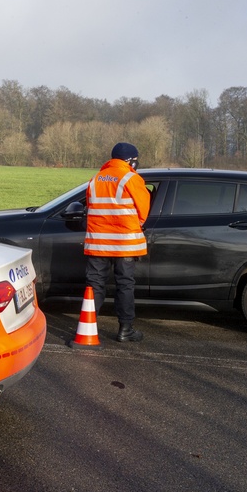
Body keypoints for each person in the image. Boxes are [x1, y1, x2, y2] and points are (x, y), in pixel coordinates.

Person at [84, 142, 150, 342]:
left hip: (98, 244)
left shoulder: (96, 179)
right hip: (124, 244)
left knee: (95, 285)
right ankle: (125, 329)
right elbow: (143, 211)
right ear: (130, 160)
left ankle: (88, 327)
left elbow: (90, 206)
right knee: (125, 285)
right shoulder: (131, 178)